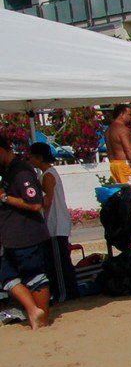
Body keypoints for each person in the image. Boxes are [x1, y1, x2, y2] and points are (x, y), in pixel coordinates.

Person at [0, 135, 53, 328]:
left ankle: (42, 320)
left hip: (27, 233)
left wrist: (5, 198)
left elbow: (35, 203)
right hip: (12, 235)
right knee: (7, 277)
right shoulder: (8, 170)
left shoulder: (21, 171)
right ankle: (33, 310)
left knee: (35, 277)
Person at [27, 142, 78, 302]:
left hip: (56, 224)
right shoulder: (48, 174)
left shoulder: (48, 175)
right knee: (58, 261)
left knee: (59, 263)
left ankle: (64, 294)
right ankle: (65, 292)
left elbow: (48, 201)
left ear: (39, 158)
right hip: (55, 224)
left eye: (31, 157)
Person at [106, 104, 131, 195]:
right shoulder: (122, 129)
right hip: (125, 165)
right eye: (129, 114)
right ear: (122, 114)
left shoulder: (108, 130)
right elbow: (128, 149)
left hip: (114, 164)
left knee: (124, 195)